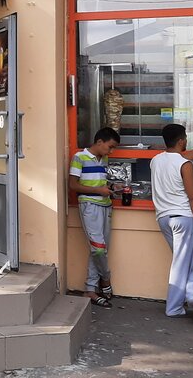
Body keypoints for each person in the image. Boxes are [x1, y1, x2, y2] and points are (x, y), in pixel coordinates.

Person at [150, 124, 193, 321]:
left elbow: (178, 159)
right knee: (181, 263)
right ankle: (174, 307)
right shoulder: (185, 165)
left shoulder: (156, 160)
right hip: (183, 218)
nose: (186, 141)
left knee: (187, 261)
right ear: (181, 141)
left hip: (163, 218)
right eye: (185, 138)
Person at [68, 127, 121, 308]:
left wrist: (111, 187)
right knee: (98, 249)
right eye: (110, 147)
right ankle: (105, 279)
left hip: (106, 205)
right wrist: (98, 190)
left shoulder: (103, 159)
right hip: (89, 206)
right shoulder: (79, 157)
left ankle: (90, 289)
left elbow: (101, 182)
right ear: (99, 142)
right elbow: (73, 185)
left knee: (99, 249)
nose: (111, 151)